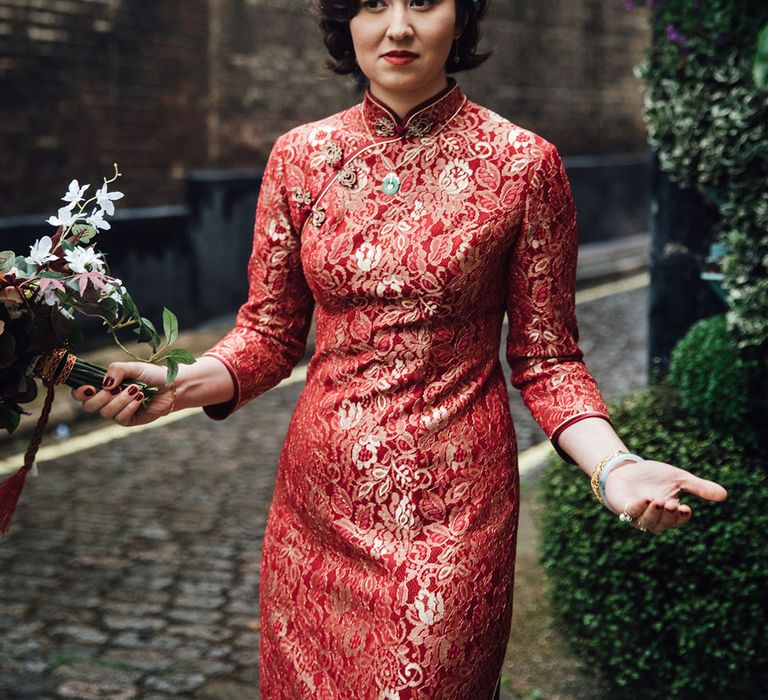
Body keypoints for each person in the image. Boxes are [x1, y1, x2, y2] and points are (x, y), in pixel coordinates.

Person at [71, 0, 728, 697]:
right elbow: (267, 333)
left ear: (462, 16)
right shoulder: (300, 157)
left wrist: (614, 467)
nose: (399, 27)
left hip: (454, 519)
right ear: (344, 22)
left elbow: (548, 359)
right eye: (373, 4)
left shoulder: (525, 166)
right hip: (315, 513)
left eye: (423, 1)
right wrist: (179, 383)